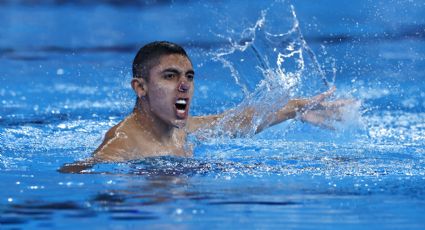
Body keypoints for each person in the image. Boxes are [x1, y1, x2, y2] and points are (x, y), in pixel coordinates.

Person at [59, 41, 353, 173]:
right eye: (170, 76)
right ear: (140, 87)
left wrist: (296, 109)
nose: (184, 85)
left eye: (189, 76)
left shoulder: (178, 129)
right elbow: (79, 170)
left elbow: (233, 122)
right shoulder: (122, 145)